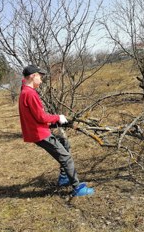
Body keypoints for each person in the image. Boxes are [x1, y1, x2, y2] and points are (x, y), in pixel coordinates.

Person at [18, 65, 94, 197]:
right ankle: (77, 188)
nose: (41, 81)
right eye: (40, 77)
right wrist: (58, 117)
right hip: (40, 134)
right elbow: (40, 117)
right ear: (32, 76)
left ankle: (65, 177)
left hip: (38, 131)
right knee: (66, 157)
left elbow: (35, 117)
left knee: (64, 143)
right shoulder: (30, 94)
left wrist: (55, 122)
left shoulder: (24, 91)